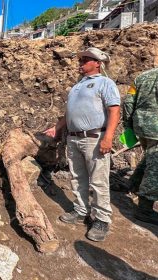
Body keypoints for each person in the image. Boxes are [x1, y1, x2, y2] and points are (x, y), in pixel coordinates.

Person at [45, 47, 121, 242]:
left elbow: (114, 110)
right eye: (81, 59)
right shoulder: (77, 86)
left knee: (98, 180)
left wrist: (108, 137)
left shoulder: (105, 83)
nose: (81, 62)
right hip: (74, 138)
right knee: (77, 177)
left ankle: (102, 219)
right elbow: (68, 113)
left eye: (86, 60)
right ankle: (81, 210)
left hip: (94, 138)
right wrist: (57, 128)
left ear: (98, 63)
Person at [123, 69, 158, 225]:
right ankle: (145, 208)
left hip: (141, 126)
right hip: (156, 129)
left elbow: (128, 102)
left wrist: (128, 125)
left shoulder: (142, 76)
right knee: (156, 167)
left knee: (151, 157)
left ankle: (133, 184)